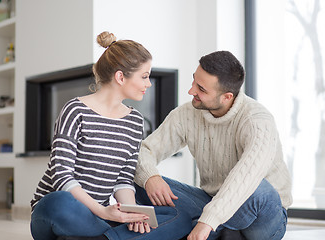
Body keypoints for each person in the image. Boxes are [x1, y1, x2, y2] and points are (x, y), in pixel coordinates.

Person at [30, 31, 191, 240]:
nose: (148, 84)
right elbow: (61, 176)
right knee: (58, 201)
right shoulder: (75, 110)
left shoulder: (134, 121)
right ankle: (109, 235)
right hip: (62, 212)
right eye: (144, 76)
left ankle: (103, 237)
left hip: (97, 217)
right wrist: (103, 212)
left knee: (180, 216)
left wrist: (132, 212)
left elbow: (123, 179)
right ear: (120, 76)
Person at [134, 50, 293, 240]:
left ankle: (204, 228)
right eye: (194, 81)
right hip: (211, 201)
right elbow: (144, 150)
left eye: (201, 89)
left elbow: (246, 179)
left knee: (259, 190)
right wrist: (151, 177)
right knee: (140, 182)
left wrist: (207, 222)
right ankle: (221, 233)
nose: (191, 91)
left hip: (263, 216)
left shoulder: (257, 120)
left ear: (227, 97)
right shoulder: (186, 114)